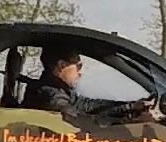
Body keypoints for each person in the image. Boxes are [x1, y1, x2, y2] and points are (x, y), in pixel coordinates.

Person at [20, 48, 156, 121]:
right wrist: (132, 118)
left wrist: (132, 106)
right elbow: (86, 122)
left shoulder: (57, 90)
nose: (80, 73)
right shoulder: (50, 97)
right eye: (78, 66)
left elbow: (86, 105)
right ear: (62, 65)